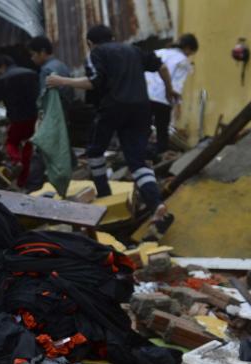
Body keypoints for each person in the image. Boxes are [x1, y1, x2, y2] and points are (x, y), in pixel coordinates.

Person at [46, 25, 176, 234]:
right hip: (142, 108)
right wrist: (169, 90)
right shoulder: (133, 50)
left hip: (113, 107)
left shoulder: (97, 53)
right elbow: (161, 67)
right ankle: (156, 204)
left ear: (89, 43)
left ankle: (105, 195)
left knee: (95, 150)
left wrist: (62, 81)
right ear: (114, 37)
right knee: (137, 160)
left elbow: (94, 82)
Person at [0, 55, 40, 189]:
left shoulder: (2, 80)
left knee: (11, 143)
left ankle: (16, 161)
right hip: (34, 118)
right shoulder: (31, 73)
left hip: (17, 119)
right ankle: (23, 181)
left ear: (2, 66)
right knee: (28, 146)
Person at [146, 33, 199, 155]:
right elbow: (176, 85)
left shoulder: (159, 52)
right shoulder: (183, 61)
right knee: (162, 131)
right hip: (163, 98)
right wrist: (177, 104)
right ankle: (160, 156)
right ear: (188, 48)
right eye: (191, 53)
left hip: (145, 95)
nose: (189, 55)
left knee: (143, 128)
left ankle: (142, 155)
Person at [28, 36, 73, 105]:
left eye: (33, 54)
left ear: (43, 52)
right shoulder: (61, 64)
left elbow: (45, 99)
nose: (32, 58)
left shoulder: (46, 70)